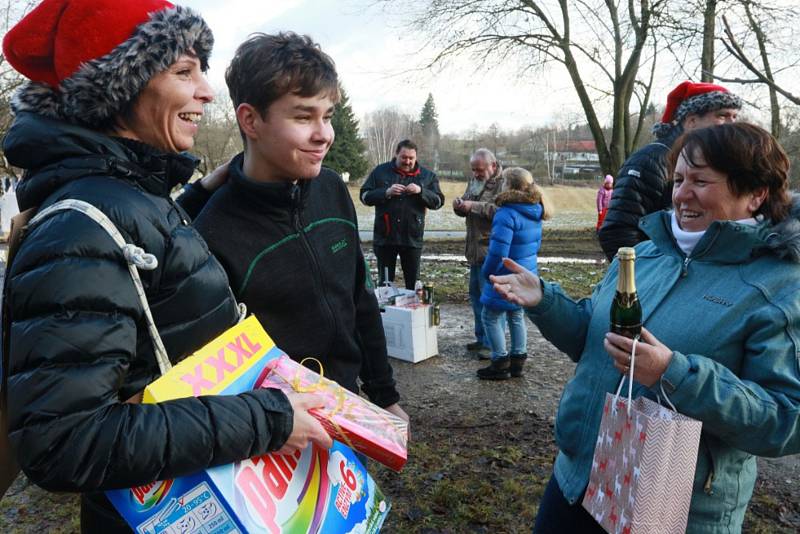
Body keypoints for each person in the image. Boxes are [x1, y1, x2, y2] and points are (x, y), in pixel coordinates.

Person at [1, 1, 331, 531]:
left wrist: (203, 188)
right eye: (184, 72)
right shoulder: (78, 230)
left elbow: (148, 276)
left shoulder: (134, 194)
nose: (206, 90)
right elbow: (64, 442)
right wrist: (268, 418)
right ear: (117, 89)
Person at [491, 123, 800, 533]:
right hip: (578, 481)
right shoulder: (644, 253)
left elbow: (785, 420)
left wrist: (675, 375)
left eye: (701, 181)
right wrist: (545, 302)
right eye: (678, 180)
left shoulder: (778, 286)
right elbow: (594, 339)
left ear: (756, 193)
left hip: (672, 510)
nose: (682, 194)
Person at [193, 33, 408, 423]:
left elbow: (358, 297)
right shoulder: (213, 231)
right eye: (303, 116)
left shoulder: (332, 189)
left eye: (327, 116)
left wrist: (383, 393)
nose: (324, 134)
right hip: (274, 431)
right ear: (250, 120)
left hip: (349, 408)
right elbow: (212, 371)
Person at [598, 81, 741, 261]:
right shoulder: (650, 161)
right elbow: (618, 231)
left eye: (735, 117)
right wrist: (652, 276)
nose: (732, 124)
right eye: (723, 116)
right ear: (691, 121)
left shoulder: (719, 162)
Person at [477, 168, 549, 380]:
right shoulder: (536, 209)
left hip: (504, 274)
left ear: (507, 185)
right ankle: (518, 361)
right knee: (516, 314)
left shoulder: (506, 213)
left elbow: (499, 251)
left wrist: (488, 272)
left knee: (489, 316)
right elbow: (534, 245)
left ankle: (499, 362)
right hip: (525, 272)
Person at [360, 139, 444, 289]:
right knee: (385, 285)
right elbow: (364, 196)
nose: (407, 161)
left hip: (412, 238)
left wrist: (421, 191)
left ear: (416, 157)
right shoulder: (380, 171)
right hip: (385, 238)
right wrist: (386, 192)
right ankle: (385, 311)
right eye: (404, 157)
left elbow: (438, 202)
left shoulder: (427, 176)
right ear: (396, 154)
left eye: (411, 158)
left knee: (413, 285)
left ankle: (412, 312)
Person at [453, 148, 504, 356]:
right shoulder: (474, 180)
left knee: (490, 300)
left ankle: (492, 346)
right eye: (473, 169)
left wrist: (472, 205)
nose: (475, 174)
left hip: (491, 252)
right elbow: (467, 202)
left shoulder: (503, 183)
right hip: (474, 251)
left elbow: (500, 212)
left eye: (479, 170)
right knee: (476, 297)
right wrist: (459, 206)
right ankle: (481, 338)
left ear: (492, 166)